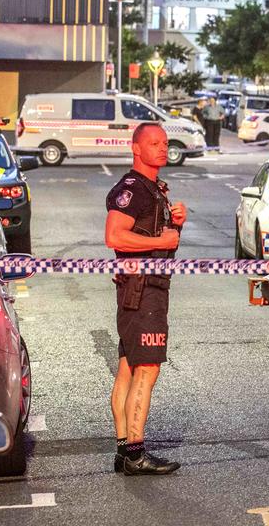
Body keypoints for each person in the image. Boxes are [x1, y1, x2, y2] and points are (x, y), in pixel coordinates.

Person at [104, 123, 186, 475]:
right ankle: (136, 453)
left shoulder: (155, 190)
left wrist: (175, 227)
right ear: (136, 148)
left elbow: (157, 237)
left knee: (128, 368)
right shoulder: (133, 189)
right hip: (143, 290)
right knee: (147, 370)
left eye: (165, 143)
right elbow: (114, 237)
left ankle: (125, 450)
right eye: (154, 143)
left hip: (140, 288)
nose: (162, 148)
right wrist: (166, 242)